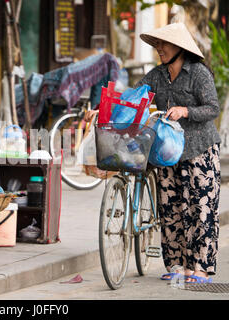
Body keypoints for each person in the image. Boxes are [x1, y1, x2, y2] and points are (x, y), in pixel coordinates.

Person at [85, 23, 221, 283]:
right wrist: (99, 107)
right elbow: (132, 96)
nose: (159, 49)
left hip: (198, 150)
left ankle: (200, 268)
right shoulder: (157, 75)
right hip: (166, 151)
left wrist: (185, 111)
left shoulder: (199, 73)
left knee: (199, 209)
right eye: (157, 44)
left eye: (164, 44)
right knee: (171, 209)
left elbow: (212, 108)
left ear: (180, 48)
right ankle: (177, 265)